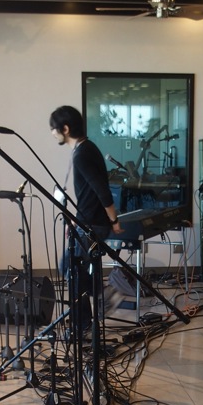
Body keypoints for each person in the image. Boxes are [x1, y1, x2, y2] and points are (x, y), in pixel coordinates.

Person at [50, 105, 122, 334]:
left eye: (54, 128)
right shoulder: (85, 149)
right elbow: (88, 195)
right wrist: (74, 222)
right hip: (88, 221)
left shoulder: (82, 154)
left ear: (65, 129)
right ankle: (93, 310)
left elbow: (102, 190)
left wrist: (114, 221)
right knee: (75, 271)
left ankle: (90, 314)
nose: (52, 133)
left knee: (68, 267)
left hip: (94, 224)